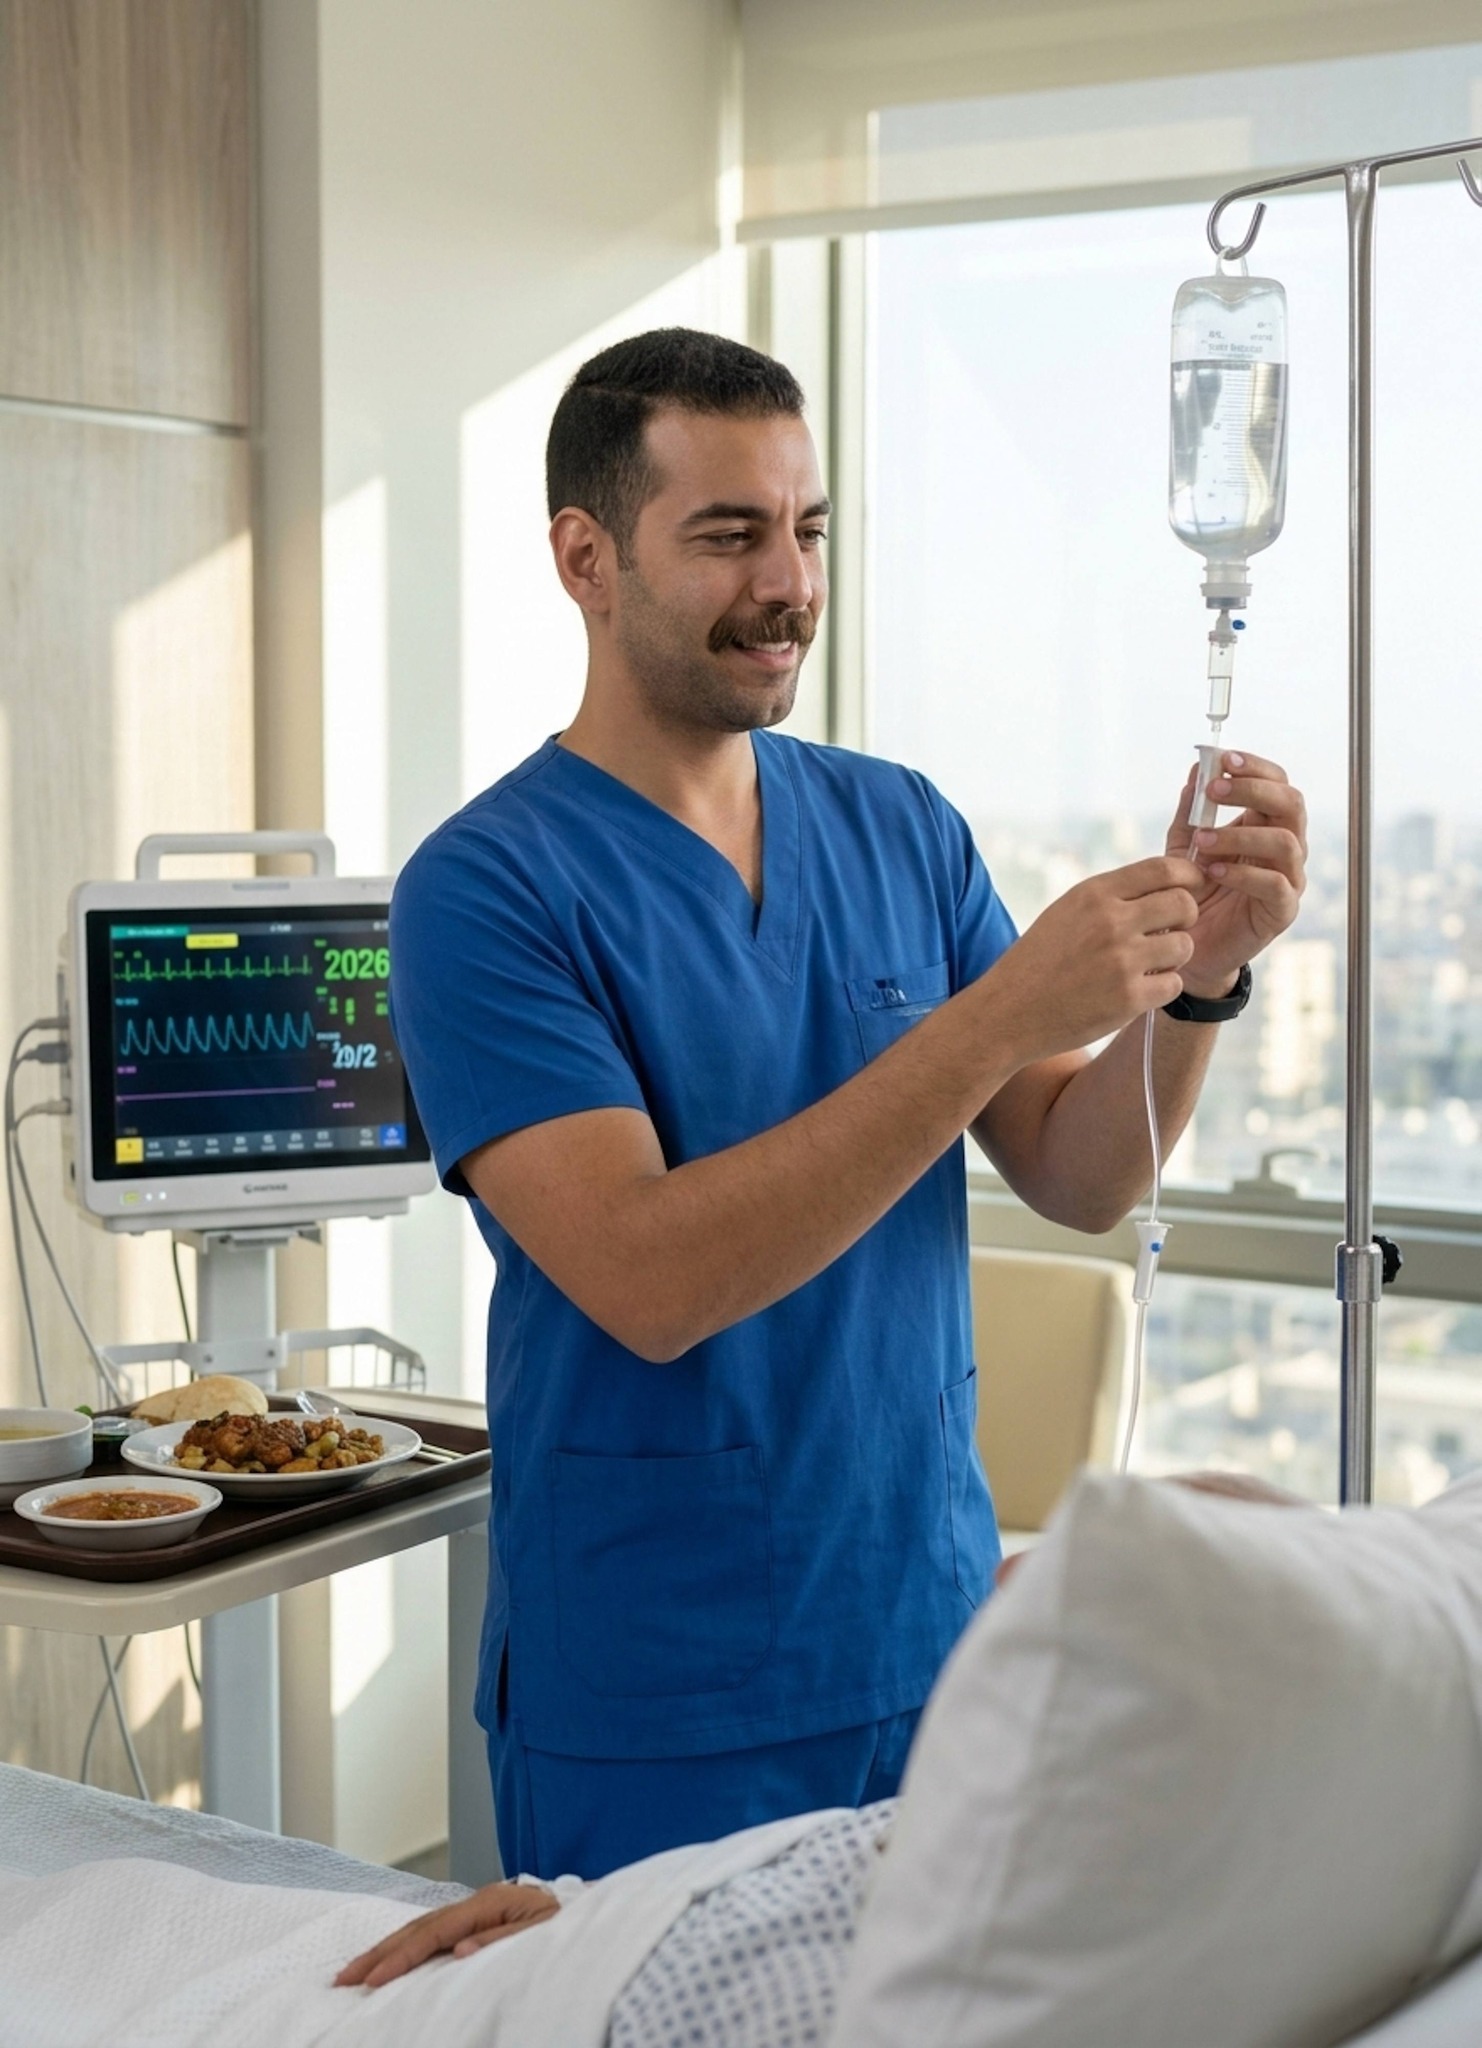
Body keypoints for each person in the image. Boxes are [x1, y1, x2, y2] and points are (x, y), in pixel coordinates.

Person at [388, 326, 1308, 1882]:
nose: (790, 584)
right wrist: (1001, 1013)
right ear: (584, 557)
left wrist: (1195, 987)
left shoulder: (896, 825)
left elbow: (1081, 1175)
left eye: (806, 530)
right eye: (729, 534)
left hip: (922, 1635)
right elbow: (652, 1279)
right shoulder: (485, 890)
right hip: (658, 1687)